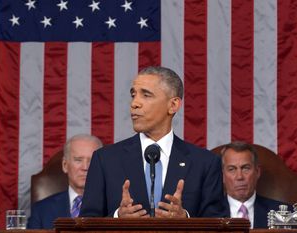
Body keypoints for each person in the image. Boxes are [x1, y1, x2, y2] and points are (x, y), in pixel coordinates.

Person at [80, 66, 225, 218]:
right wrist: (117, 218)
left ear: (173, 105)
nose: (134, 103)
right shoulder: (105, 160)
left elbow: (218, 225)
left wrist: (185, 219)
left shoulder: (205, 163)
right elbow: (86, 223)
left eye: (146, 95)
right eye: (133, 95)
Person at [27, 134, 103, 229]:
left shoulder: (114, 208)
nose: (85, 167)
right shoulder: (41, 210)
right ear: (65, 165)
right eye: (78, 160)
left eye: (92, 160)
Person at [219, 141, 291, 228]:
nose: (239, 177)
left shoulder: (285, 214)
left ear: (257, 172)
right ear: (222, 175)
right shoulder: (206, 214)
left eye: (246, 168)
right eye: (232, 169)